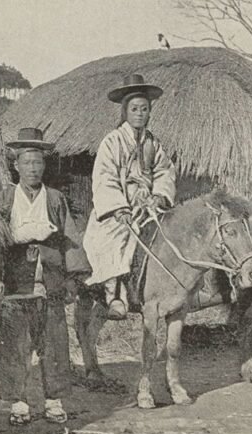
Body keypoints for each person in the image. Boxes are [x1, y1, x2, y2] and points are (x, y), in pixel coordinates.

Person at [0, 128, 83, 426]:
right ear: (16, 165)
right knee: (15, 344)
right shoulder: (4, 199)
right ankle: (18, 402)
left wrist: (71, 278)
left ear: (44, 166)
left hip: (49, 283)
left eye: (38, 163)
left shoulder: (55, 199)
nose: (33, 168)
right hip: (16, 286)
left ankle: (53, 400)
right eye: (27, 162)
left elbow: (69, 238)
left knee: (54, 344)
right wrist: (19, 237)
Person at [83, 74, 177, 320]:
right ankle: (114, 293)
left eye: (144, 109)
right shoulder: (112, 142)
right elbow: (105, 177)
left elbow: (165, 170)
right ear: (125, 111)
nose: (139, 114)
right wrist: (119, 207)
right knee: (118, 236)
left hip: (147, 204)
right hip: (119, 207)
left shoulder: (152, 143)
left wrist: (159, 195)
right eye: (134, 109)